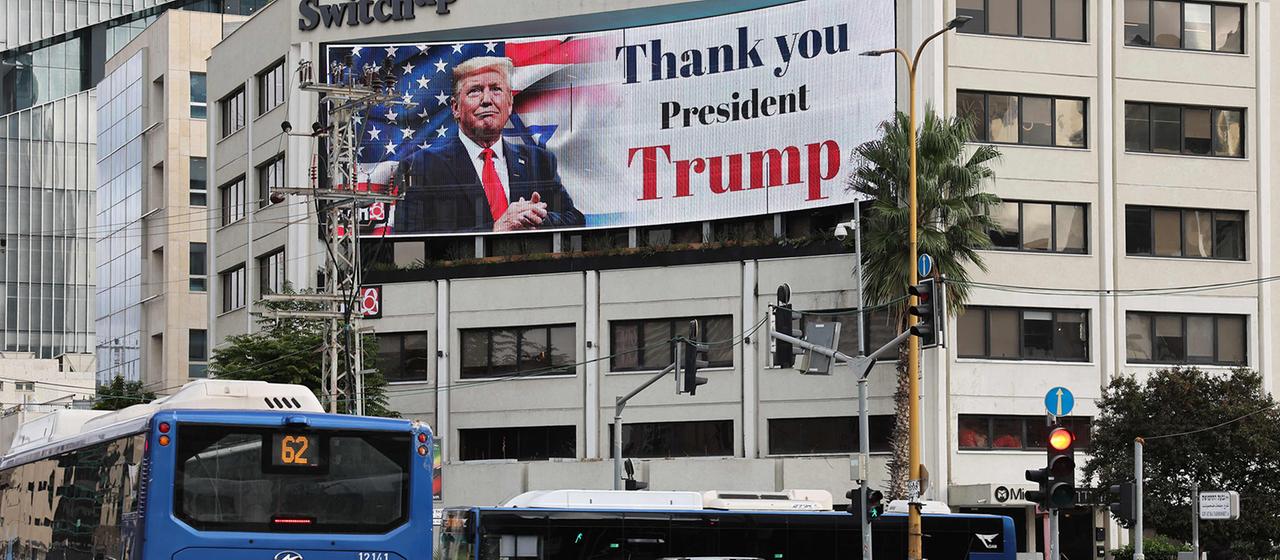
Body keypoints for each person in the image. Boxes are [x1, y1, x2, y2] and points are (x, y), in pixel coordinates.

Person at [394, 56, 584, 233]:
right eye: (475, 91)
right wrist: (495, 229)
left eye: (496, 89)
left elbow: (575, 220)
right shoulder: (420, 166)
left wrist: (534, 218)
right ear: (455, 108)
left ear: (509, 103)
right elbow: (410, 241)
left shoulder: (540, 160)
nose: (487, 100)